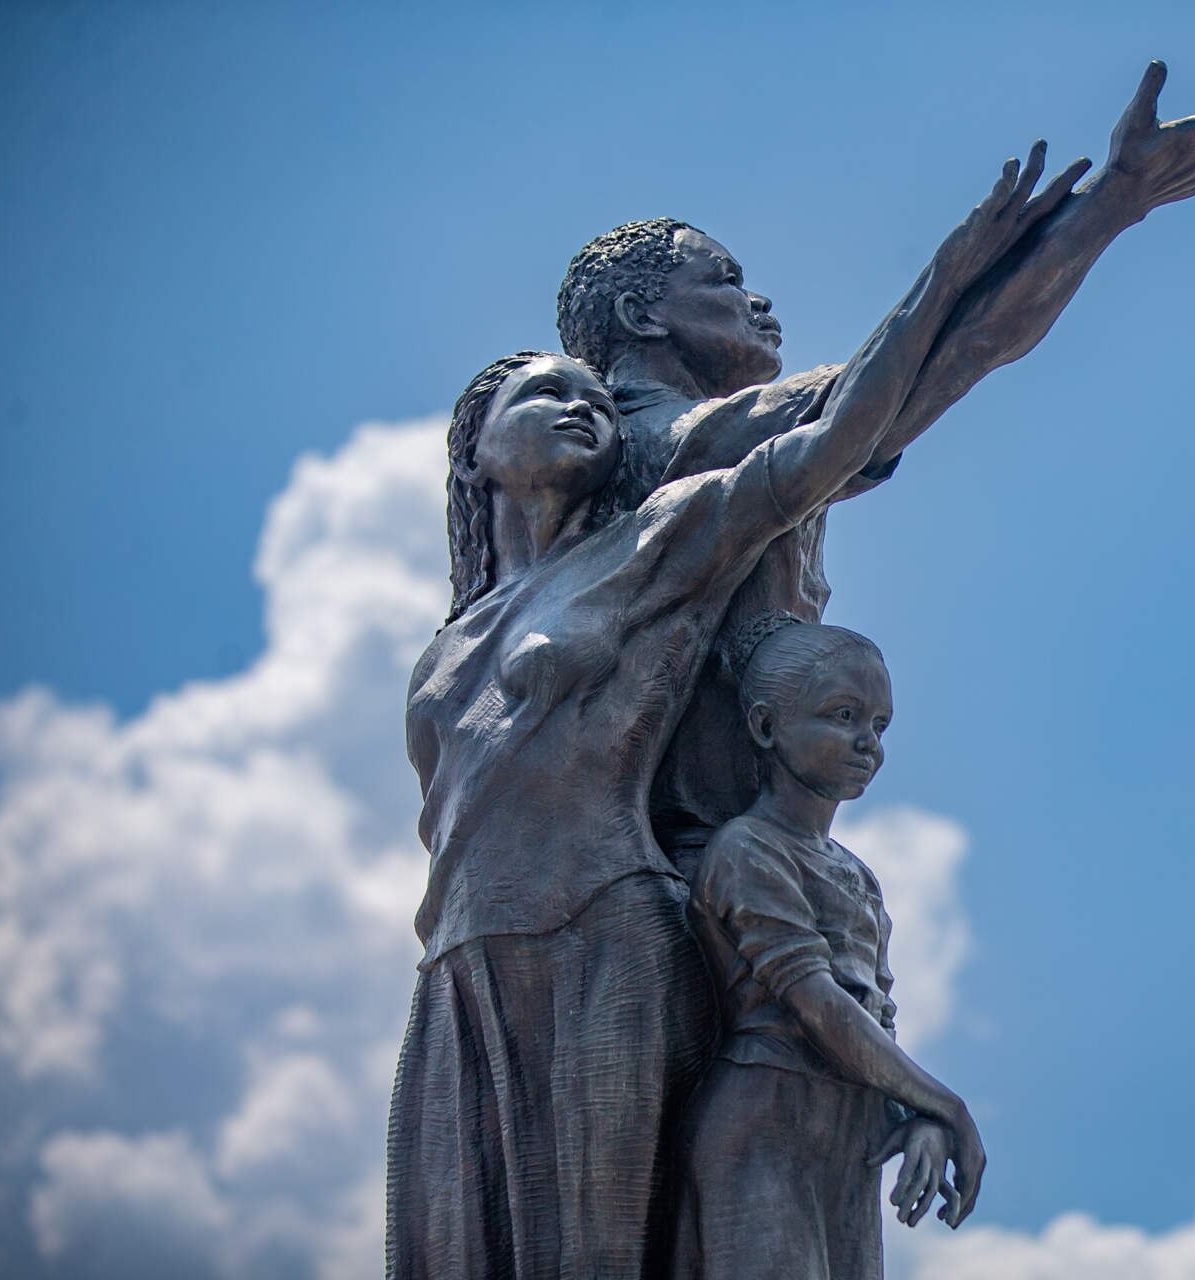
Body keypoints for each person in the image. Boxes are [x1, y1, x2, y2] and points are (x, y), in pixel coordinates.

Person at [386, 152, 1047, 1280]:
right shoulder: (446, 649)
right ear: (475, 443)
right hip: (458, 963)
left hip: (606, 926)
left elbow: (848, 424)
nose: (582, 412)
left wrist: (975, 261)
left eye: (595, 400)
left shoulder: (649, 546)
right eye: (545, 395)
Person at [554, 63, 1195, 869]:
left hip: (722, 858)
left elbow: (939, 358)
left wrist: (1112, 205)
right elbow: (955, 352)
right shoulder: (683, 441)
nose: (760, 303)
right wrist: (1113, 203)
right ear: (642, 316)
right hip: (690, 873)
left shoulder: (684, 444)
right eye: (727, 281)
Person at [676, 617, 981, 1280]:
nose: (867, 743)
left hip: (848, 1135)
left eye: (879, 724)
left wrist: (917, 1116)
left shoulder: (858, 877)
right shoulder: (746, 850)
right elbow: (819, 1005)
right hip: (765, 1123)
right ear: (764, 727)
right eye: (843, 716)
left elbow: (876, 1023)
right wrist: (944, 1105)